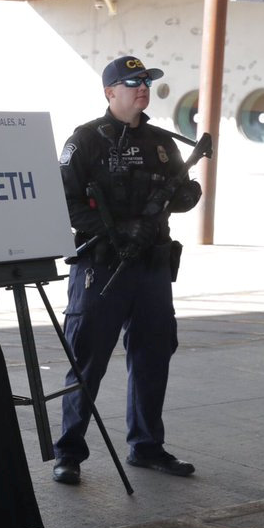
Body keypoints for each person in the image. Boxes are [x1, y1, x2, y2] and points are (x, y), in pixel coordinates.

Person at [51, 55, 203, 486]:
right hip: (103, 266)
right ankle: (69, 453)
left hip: (152, 268)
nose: (142, 88)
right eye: (132, 81)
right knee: (87, 362)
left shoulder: (162, 142)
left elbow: (178, 193)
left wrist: (186, 195)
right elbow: (66, 201)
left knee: (153, 356)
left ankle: (147, 447)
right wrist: (114, 230)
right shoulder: (85, 142)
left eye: (146, 81)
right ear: (109, 92)